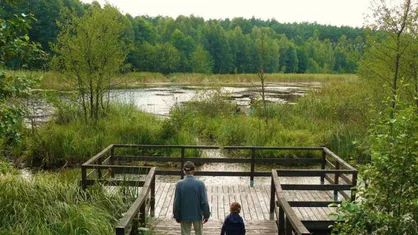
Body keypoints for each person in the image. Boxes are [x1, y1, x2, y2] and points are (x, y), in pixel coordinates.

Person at [173, 161, 210, 235]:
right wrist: (206, 215)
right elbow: (204, 202)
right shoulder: (200, 184)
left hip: (184, 214)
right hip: (197, 214)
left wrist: (176, 215)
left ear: (184, 171)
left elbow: (176, 202)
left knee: (185, 233)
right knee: (199, 233)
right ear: (194, 170)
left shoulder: (179, 184)